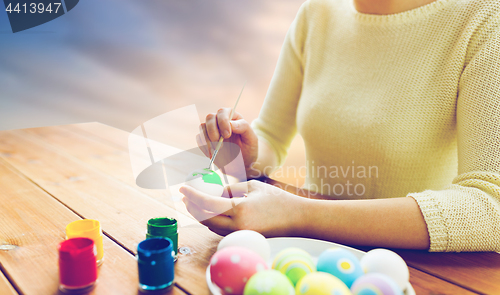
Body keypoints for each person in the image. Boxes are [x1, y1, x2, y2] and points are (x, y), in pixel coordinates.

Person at [180, 0, 500, 252]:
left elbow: (491, 207)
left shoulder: (481, 18)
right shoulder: (316, 14)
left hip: (417, 270)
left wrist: (297, 214)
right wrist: (246, 154)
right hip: (310, 250)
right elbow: (272, 136)